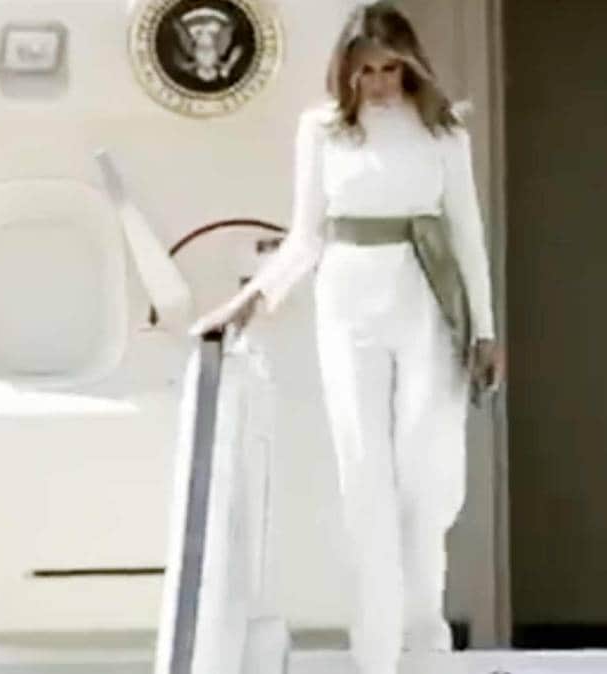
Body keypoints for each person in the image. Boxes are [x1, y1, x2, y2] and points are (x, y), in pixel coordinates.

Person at [190, 3, 503, 672]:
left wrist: (486, 330)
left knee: (427, 480)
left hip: (428, 301)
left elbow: (468, 235)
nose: (381, 83)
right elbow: (305, 236)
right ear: (346, 72)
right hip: (348, 302)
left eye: (392, 69)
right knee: (365, 480)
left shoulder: (444, 133)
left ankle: (426, 643)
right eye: (367, 71)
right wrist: (247, 303)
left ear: (411, 67)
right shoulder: (323, 131)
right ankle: (375, 655)